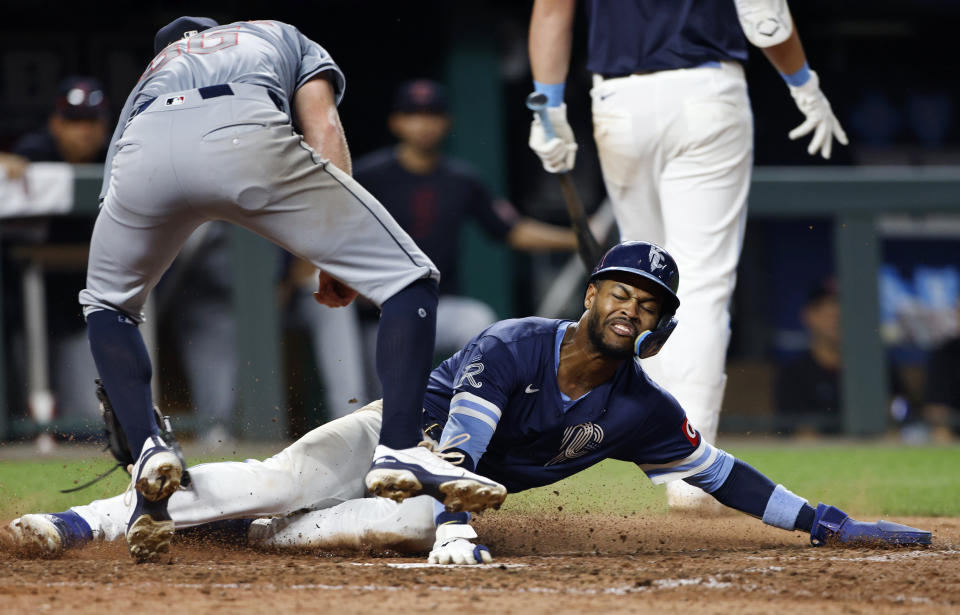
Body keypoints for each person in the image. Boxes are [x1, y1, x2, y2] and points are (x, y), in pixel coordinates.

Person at [7, 242, 930, 563]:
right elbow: (461, 449)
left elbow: (720, 473)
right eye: (619, 291)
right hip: (396, 436)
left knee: (393, 528)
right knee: (276, 480)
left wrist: (817, 520)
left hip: (424, 490)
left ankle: (255, 538)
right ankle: (88, 518)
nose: (629, 308)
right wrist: (458, 525)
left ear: (657, 325)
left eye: (647, 305)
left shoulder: (643, 405)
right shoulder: (511, 342)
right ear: (591, 296)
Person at [78, 16, 503, 561]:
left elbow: (112, 193)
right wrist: (333, 255)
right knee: (409, 278)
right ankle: (398, 448)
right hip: (241, 131)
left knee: (107, 306)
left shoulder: (153, 72)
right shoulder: (274, 32)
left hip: (145, 152)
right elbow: (322, 127)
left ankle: (146, 451)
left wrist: (118, 316)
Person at [526, 0, 848, 510]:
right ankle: (689, 473)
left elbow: (551, 12)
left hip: (618, 99)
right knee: (700, 284)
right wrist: (803, 83)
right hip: (704, 91)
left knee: (643, 284)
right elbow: (765, 17)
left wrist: (548, 105)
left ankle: (660, 449)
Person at [354, 79, 580, 362]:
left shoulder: (461, 179)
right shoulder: (368, 175)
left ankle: (473, 400)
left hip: (436, 307)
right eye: (414, 115)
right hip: (374, 313)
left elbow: (512, 231)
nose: (424, 124)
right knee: (366, 398)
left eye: (432, 115)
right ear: (396, 122)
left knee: (477, 320)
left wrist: (577, 239)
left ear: (447, 122)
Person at [775, 279, 910, 436]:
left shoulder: (876, 366)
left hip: (872, 451)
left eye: (842, 310)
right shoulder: (794, 373)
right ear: (808, 315)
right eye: (825, 310)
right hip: (819, 456)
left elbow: (901, 415)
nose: (835, 317)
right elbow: (796, 433)